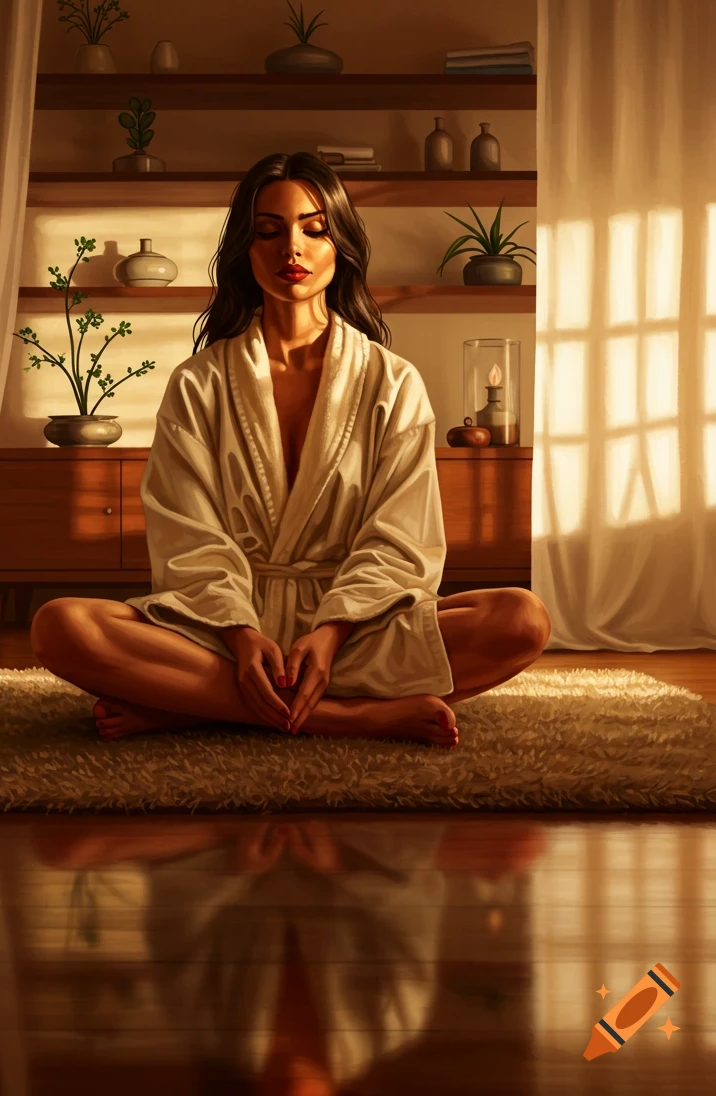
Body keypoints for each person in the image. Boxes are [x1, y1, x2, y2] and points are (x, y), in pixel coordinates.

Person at [31, 151, 551, 746]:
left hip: (357, 627)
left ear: (341, 246)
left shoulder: (391, 381)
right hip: (224, 625)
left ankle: (195, 702)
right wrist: (240, 632)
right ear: (245, 252)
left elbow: (401, 537)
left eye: (313, 229)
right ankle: (349, 717)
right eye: (269, 232)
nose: (291, 250)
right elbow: (188, 535)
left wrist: (332, 630)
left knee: (519, 619)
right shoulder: (199, 383)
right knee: (62, 626)